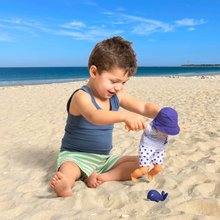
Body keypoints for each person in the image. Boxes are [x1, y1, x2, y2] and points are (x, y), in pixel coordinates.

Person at [50, 36, 160, 197]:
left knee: (144, 164)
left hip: (103, 159)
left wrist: (161, 113)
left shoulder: (116, 95)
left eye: (123, 82)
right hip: (76, 156)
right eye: (114, 81)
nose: (118, 87)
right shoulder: (81, 96)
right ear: (94, 72)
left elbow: (143, 106)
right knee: (69, 169)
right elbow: (95, 116)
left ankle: (102, 177)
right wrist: (124, 116)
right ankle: (65, 185)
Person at [130, 107, 180, 182]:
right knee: (144, 170)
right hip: (147, 148)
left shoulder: (165, 130)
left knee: (158, 168)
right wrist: (132, 125)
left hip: (159, 150)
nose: (166, 133)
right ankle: (133, 175)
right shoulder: (149, 128)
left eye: (169, 131)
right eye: (165, 131)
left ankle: (151, 174)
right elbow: (141, 125)